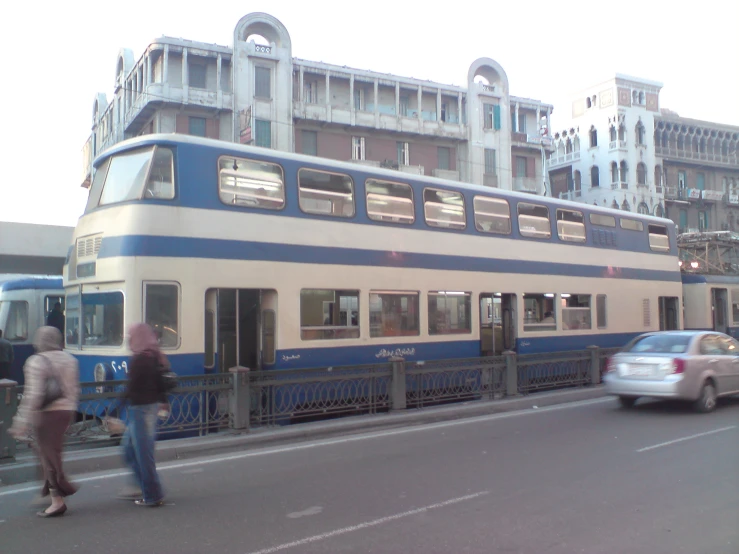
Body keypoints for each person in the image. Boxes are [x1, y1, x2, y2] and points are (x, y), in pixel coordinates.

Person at [8, 327, 80, 517]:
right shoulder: (70, 359)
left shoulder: (36, 361)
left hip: (47, 414)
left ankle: (58, 499)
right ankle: (52, 492)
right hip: (65, 411)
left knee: (48, 457)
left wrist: (21, 420)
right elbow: (73, 390)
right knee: (50, 453)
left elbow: (34, 394)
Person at [118, 323, 167, 507]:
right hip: (147, 408)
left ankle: (153, 494)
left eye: (131, 336)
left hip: (141, 410)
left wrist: (117, 407)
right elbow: (160, 382)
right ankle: (149, 489)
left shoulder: (140, 359)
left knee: (142, 455)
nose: (130, 339)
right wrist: (163, 401)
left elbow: (131, 387)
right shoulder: (153, 356)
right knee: (130, 450)